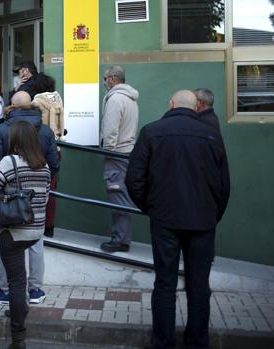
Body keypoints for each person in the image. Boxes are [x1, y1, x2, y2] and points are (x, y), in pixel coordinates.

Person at [126, 90, 230, 349]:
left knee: (164, 283)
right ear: (197, 107)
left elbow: (134, 179)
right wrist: (212, 215)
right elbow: (223, 185)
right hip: (203, 221)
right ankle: (197, 341)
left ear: (171, 104)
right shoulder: (212, 136)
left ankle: (163, 342)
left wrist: (151, 208)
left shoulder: (152, 132)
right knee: (199, 285)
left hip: (165, 219)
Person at [0, 91, 59, 306]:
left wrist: (1, 187)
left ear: (11, 106)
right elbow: (53, 164)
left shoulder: (1, 129)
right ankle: (35, 289)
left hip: (7, 198)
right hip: (36, 200)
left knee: (7, 244)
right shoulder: (44, 130)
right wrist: (40, 186)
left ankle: (5, 289)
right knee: (35, 244)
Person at [0, 121, 51, 349]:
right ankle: (19, 308)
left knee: (16, 282)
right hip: (35, 230)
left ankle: (18, 337)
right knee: (20, 280)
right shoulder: (44, 166)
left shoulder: (8, 162)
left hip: (12, 231)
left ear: (14, 140)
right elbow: (45, 199)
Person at [99, 65, 139, 253]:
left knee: (117, 197)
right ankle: (122, 238)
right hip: (127, 152)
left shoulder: (115, 99)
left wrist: (107, 152)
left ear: (113, 79)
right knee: (122, 195)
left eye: (105, 78)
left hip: (116, 155)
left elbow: (110, 131)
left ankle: (120, 240)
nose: (104, 82)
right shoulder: (131, 99)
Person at [31, 74, 64, 237]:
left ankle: (36, 223)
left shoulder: (37, 102)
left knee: (34, 187)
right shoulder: (57, 98)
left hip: (39, 149)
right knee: (51, 189)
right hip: (57, 149)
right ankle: (50, 226)